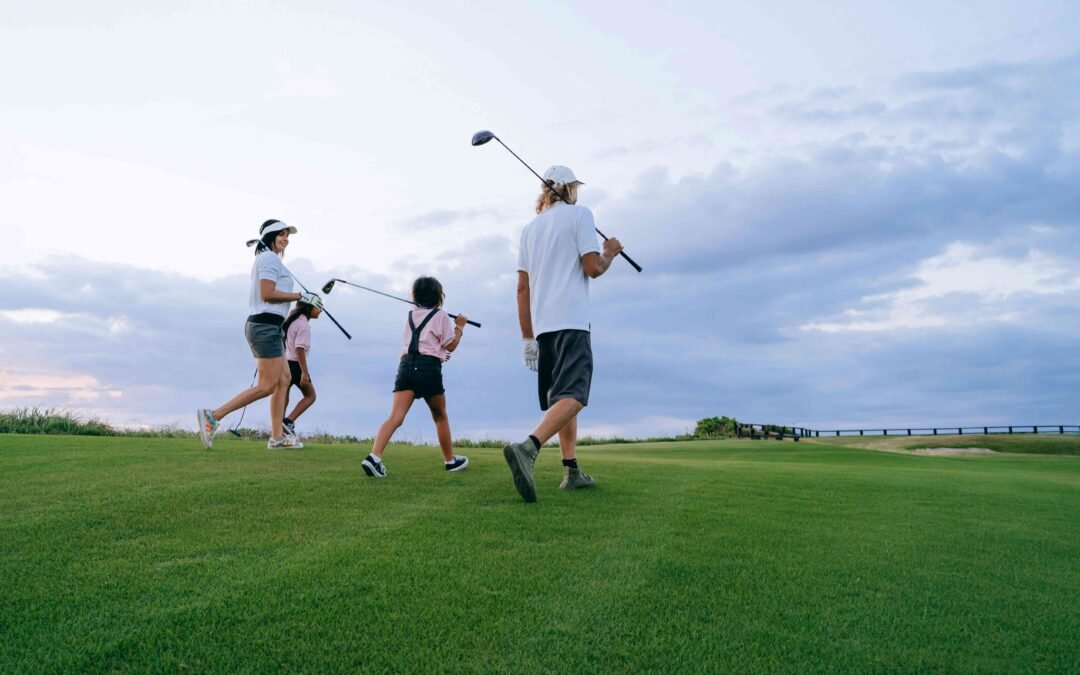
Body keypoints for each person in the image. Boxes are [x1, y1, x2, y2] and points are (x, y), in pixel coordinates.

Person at [502, 166, 623, 502]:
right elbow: (593, 268)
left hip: (543, 328)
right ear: (569, 189)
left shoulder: (529, 230)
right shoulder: (579, 215)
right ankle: (529, 447)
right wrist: (610, 252)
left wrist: (527, 339)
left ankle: (571, 470)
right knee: (576, 395)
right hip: (571, 321)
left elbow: (522, 289)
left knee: (561, 398)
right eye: (575, 188)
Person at [197, 219, 318, 450]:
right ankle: (214, 416)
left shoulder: (269, 258)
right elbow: (267, 293)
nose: (286, 239)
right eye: (281, 234)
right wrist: (300, 297)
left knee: (284, 379)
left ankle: (277, 438)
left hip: (270, 325)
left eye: (287, 236)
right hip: (265, 325)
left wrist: (299, 297)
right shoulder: (269, 258)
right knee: (267, 385)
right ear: (270, 236)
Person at [361, 276, 470, 478]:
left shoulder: (410, 315)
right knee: (440, 416)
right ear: (439, 296)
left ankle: (374, 457)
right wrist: (460, 326)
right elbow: (451, 344)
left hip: (406, 366)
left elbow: (420, 344)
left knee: (395, 417)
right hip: (429, 369)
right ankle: (449, 461)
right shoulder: (441, 315)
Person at [282, 294, 324, 437]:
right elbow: (300, 349)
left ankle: (278, 429)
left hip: (284, 363)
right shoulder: (303, 325)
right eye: (318, 307)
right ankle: (288, 421)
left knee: (283, 397)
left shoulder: (292, 321)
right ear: (309, 307)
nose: (321, 310)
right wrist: (304, 372)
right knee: (310, 396)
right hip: (296, 365)